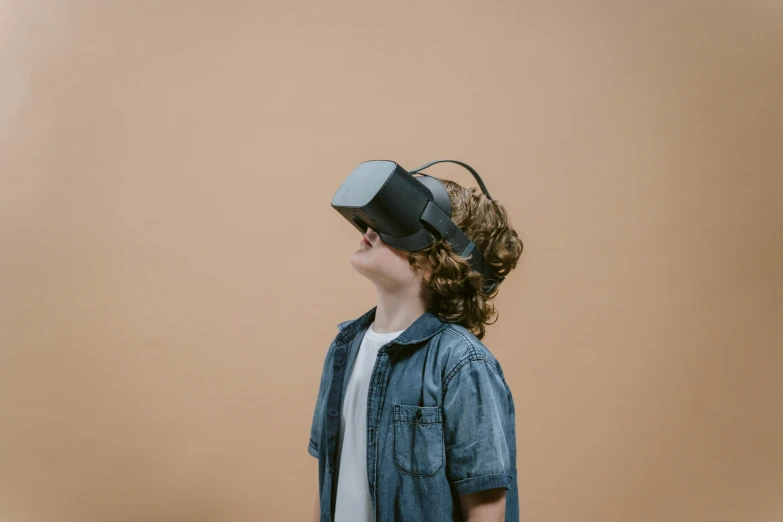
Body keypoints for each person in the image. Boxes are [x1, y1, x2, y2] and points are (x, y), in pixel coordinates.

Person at [309, 176, 524, 521]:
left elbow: (486, 511)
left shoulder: (462, 363)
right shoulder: (343, 348)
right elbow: (328, 482)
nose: (371, 230)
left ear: (437, 261)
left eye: (394, 225)